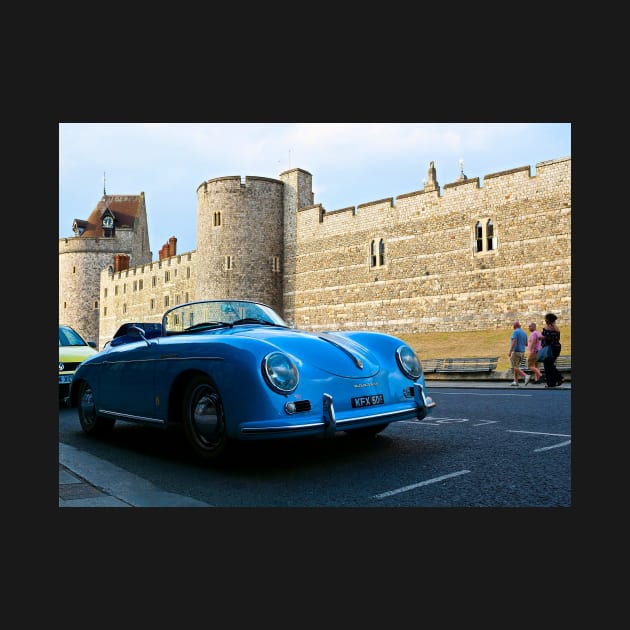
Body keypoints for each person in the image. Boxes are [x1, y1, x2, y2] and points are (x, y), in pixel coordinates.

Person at [541, 312, 564, 388]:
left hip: (549, 348)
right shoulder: (556, 327)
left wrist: (542, 338)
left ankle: (553, 382)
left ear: (548, 319)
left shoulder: (548, 327)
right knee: (550, 364)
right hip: (556, 347)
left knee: (547, 366)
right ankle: (555, 381)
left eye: (546, 318)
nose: (545, 320)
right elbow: (556, 338)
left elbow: (548, 338)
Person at [508, 321, 529, 386]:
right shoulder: (524, 333)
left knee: (514, 367)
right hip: (522, 352)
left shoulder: (515, 332)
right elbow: (526, 344)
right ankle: (515, 381)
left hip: (516, 352)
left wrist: (510, 351)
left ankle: (526, 376)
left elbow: (514, 341)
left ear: (514, 326)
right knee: (516, 367)